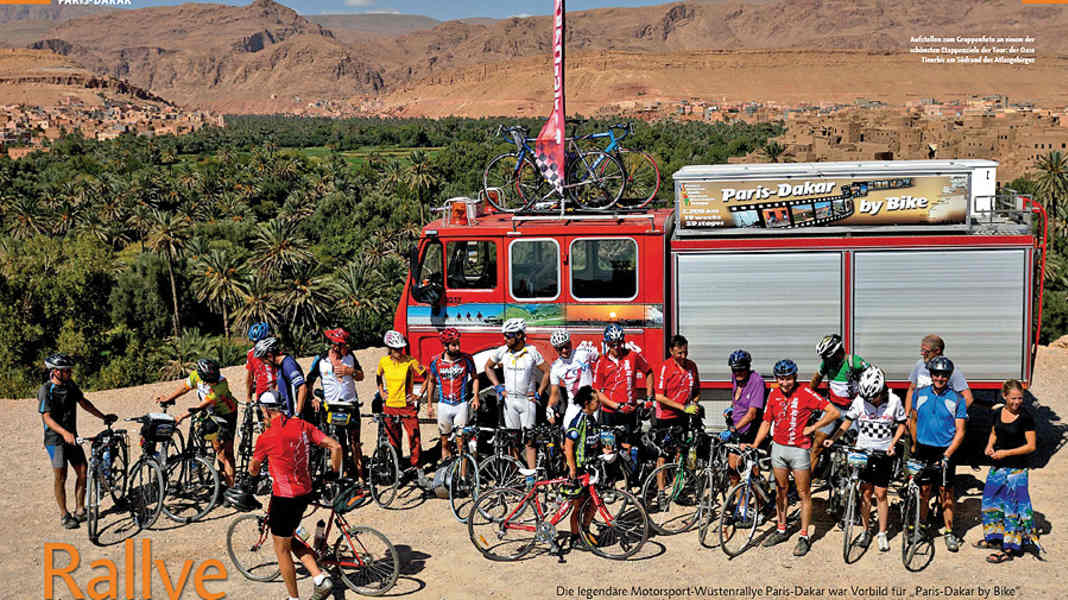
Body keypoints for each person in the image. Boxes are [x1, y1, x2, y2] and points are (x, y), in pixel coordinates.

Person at [248, 391, 342, 600]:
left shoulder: (266, 437)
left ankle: (293, 598)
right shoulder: (302, 425)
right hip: (305, 492)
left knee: (281, 548)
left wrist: (251, 474)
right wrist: (333, 474)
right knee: (289, 537)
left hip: (283, 497)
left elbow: (254, 468)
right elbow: (336, 446)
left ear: (264, 409)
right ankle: (319, 578)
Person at [748, 358, 839, 557]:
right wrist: (755, 444)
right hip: (779, 449)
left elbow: (833, 412)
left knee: (803, 492)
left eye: (788, 378)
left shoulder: (805, 392)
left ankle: (804, 536)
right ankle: (782, 529)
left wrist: (813, 428)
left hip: (799, 450)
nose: (784, 383)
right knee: (780, 491)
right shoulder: (773, 395)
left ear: (794, 377)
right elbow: (766, 422)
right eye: (780, 379)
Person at [823, 365, 906, 552]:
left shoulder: (894, 401)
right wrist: (833, 438)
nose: (871, 401)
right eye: (868, 398)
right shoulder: (860, 400)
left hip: (883, 452)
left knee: (881, 494)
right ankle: (867, 530)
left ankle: (883, 533)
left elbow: (902, 424)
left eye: (874, 397)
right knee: (865, 493)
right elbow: (847, 421)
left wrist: (893, 444)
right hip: (862, 451)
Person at [38, 353, 116, 529]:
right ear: (55, 372)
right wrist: (64, 433)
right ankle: (64, 514)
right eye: (66, 370)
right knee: (61, 476)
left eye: (70, 370)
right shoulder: (46, 390)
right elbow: (47, 418)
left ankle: (80, 510)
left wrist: (103, 416)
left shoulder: (70, 385)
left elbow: (84, 403)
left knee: (82, 471)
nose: (70, 373)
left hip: (72, 437)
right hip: (55, 440)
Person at [910, 355, 967, 552]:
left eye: (943, 375)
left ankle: (949, 532)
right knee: (924, 491)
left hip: (945, 451)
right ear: (931, 375)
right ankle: (922, 526)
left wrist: (948, 454)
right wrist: (914, 445)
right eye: (936, 374)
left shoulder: (957, 399)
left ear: (948, 377)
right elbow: (914, 419)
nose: (939, 378)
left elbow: (960, 432)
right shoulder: (920, 393)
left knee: (946, 494)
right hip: (924, 449)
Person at [977, 379, 1037, 563]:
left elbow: (1031, 446)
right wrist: (989, 446)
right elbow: (994, 433)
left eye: (1020, 398)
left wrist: (1007, 453)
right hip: (998, 467)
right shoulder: (998, 413)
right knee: (991, 500)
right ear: (1004, 396)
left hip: (1016, 469)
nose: (1017, 402)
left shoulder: (1026, 417)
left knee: (1012, 506)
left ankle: (1009, 547)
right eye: (1013, 398)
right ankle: (995, 537)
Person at [155, 358, 238, 488]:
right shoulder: (196, 375)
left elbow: (201, 406)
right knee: (217, 448)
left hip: (226, 414)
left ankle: (230, 488)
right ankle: (219, 477)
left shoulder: (221, 384)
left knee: (227, 453)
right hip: (211, 413)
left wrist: (181, 416)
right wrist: (168, 398)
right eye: (209, 381)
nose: (212, 383)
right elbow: (184, 388)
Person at [485, 318, 547, 482]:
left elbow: (547, 371)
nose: (505, 339)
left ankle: (532, 477)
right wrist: (498, 386)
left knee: (529, 440)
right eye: (505, 336)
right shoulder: (502, 351)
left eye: (508, 336)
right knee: (513, 440)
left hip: (527, 401)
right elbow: (487, 367)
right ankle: (515, 474)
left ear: (519, 335)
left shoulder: (532, 351)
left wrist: (539, 393)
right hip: (510, 401)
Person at [306, 328, 365, 482]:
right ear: (335, 346)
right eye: (343, 345)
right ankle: (342, 473)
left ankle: (360, 476)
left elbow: (361, 376)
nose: (346, 348)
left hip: (350, 404)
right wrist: (313, 398)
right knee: (338, 442)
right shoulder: (321, 359)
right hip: (332, 407)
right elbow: (309, 381)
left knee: (355, 441)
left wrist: (350, 371)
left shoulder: (350, 357)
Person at [651, 335, 701, 507]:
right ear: (671, 351)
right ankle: (661, 492)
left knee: (682, 453)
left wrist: (693, 403)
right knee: (663, 455)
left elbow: (696, 391)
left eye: (685, 352)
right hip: (665, 417)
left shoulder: (692, 366)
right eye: (679, 353)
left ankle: (678, 490)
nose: (683, 356)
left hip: (683, 417)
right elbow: (659, 396)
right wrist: (682, 407)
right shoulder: (664, 367)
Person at [592, 324, 652, 464]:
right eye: (613, 344)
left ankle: (629, 480)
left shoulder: (633, 356)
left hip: (629, 412)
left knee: (628, 449)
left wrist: (649, 397)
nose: (616, 347)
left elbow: (649, 372)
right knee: (608, 451)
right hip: (609, 413)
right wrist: (617, 406)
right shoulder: (601, 362)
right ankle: (611, 480)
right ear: (607, 344)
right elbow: (597, 391)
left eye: (619, 343)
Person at [809, 334, 869, 467]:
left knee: (856, 449)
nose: (825, 360)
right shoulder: (826, 363)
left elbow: (875, 376)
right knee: (817, 445)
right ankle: (806, 484)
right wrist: (806, 399)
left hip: (854, 410)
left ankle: (855, 482)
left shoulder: (855, 362)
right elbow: (815, 381)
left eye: (826, 356)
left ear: (836, 352)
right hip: (833, 408)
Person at [376, 329, 427, 478]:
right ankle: (398, 467)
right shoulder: (383, 362)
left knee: (414, 437)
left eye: (401, 348)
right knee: (393, 438)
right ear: (390, 349)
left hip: (407, 406)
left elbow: (427, 377)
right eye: (396, 349)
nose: (399, 351)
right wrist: (381, 391)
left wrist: (418, 395)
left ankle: (417, 467)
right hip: (390, 406)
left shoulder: (410, 361)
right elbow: (378, 377)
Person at [426, 328, 479, 463]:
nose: (458, 347)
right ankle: (446, 471)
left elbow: (475, 378)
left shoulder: (467, 359)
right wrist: (430, 405)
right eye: (454, 344)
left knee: (461, 442)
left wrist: (476, 396)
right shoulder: (436, 361)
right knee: (445, 442)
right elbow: (431, 382)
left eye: (458, 343)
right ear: (445, 346)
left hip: (461, 404)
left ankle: (462, 477)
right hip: (444, 405)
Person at [563, 385, 603, 549]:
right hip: (578, 469)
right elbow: (568, 445)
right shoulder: (579, 420)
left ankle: (584, 530)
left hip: (590, 467)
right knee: (578, 505)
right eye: (596, 401)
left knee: (593, 502)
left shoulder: (592, 418)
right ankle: (575, 537)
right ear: (587, 403)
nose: (599, 403)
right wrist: (572, 468)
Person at [724, 349, 766, 488]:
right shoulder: (735, 378)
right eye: (735, 370)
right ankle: (739, 502)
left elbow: (752, 413)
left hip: (750, 430)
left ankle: (760, 502)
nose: (738, 374)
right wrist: (731, 409)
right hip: (736, 430)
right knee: (732, 468)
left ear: (748, 367)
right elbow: (736, 400)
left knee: (752, 472)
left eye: (741, 370)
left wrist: (735, 428)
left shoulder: (757, 381)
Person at [905, 334, 975, 416]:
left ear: (937, 351)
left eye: (926, 351)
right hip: (920, 420)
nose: (922, 354)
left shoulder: (951, 370)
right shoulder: (920, 365)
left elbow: (968, 398)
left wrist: (950, 415)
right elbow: (912, 390)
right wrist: (907, 415)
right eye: (922, 350)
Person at [546, 329, 599, 432]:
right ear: (556, 349)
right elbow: (555, 393)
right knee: (567, 433)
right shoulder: (556, 367)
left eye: (567, 346)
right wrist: (549, 408)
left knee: (590, 434)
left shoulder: (583, 353)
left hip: (591, 402)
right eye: (560, 348)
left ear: (571, 343)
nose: (565, 350)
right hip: (573, 404)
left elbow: (604, 360)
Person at [254, 337, 311, 421]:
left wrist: (297, 414)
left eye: (263, 360)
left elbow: (302, 387)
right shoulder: (280, 366)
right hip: (286, 414)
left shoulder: (288, 365)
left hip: (294, 416)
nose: (264, 364)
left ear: (269, 355)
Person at [244, 321, 276, 405]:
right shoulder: (251, 354)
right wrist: (248, 397)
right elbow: (250, 376)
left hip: (277, 390)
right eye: (254, 342)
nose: (257, 345)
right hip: (261, 392)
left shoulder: (275, 351)